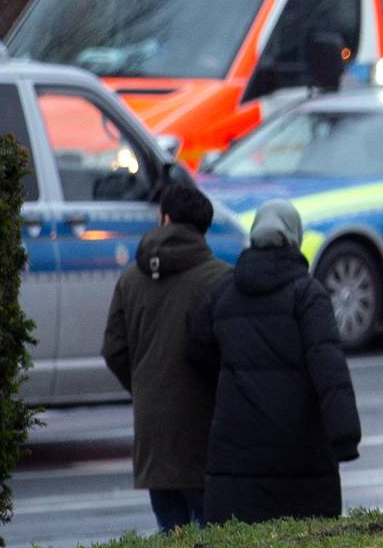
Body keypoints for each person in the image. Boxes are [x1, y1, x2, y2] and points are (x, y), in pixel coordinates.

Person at [185, 200, 361, 525]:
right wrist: (345, 435)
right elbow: (329, 368)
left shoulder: (223, 293)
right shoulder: (307, 294)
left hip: (236, 456)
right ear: (294, 238)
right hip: (300, 453)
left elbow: (196, 350)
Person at [102, 182, 230, 531]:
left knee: (170, 531)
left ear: (166, 219)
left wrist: (145, 385)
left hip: (153, 440)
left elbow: (113, 349)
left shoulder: (130, 280)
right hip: (206, 437)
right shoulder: (220, 279)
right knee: (212, 533)